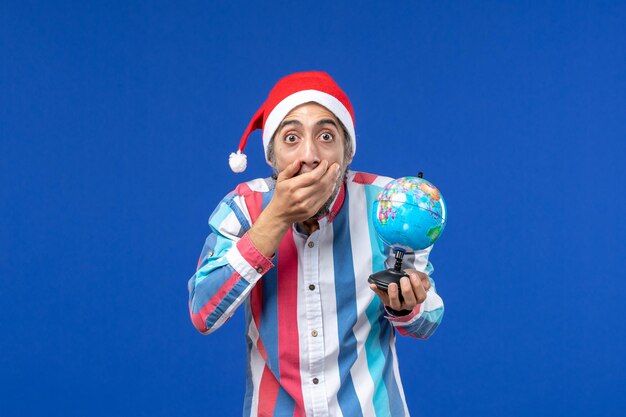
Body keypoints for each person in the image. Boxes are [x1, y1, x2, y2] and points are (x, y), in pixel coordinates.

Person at [188, 71, 444, 417]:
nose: (309, 156)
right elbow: (203, 313)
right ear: (272, 158)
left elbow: (428, 319)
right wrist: (275, 218)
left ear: (347, 152)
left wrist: (407, 307)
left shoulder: (390, 207)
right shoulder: (244, 208)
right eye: (291, 138)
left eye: (326, 135)